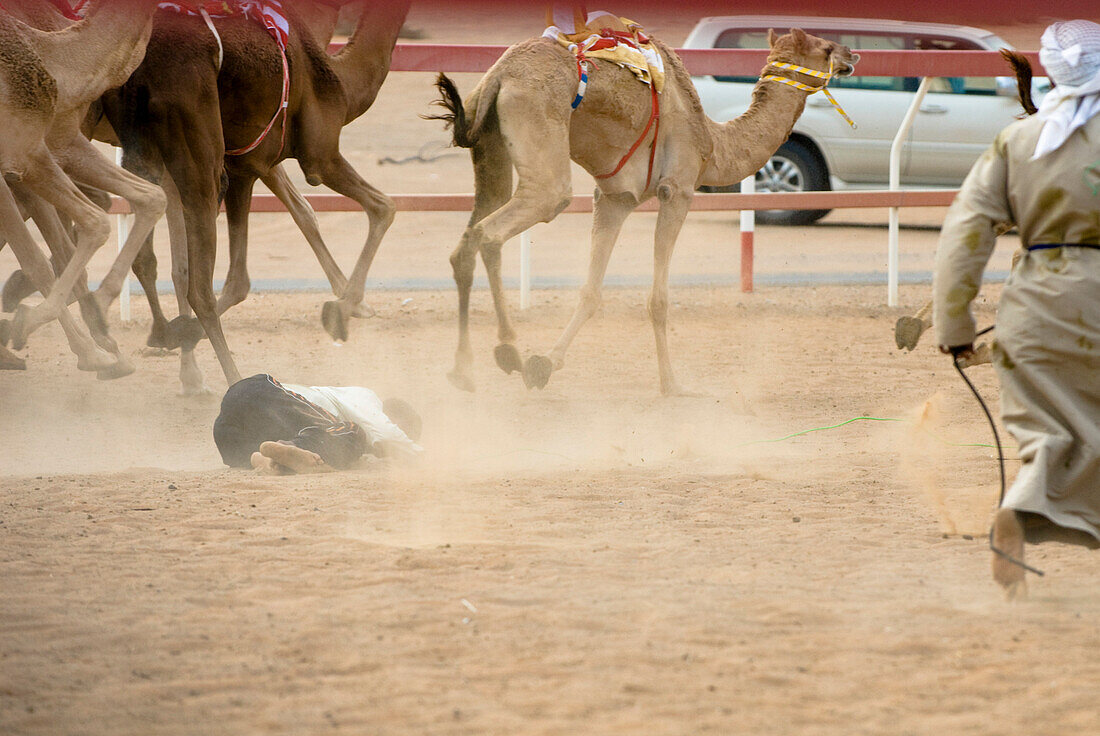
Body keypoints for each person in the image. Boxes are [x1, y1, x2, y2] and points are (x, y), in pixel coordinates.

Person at [932, 20, 1100, 598]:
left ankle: (1019, 510)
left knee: (1045, 435)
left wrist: (954, 326)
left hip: (1034, 307)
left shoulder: (1018, 141)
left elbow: (965, 233)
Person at [213, 374, 422, 474]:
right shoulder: (367, 398)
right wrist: (419, 454)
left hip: (230, 422)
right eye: (402, 430)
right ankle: (294, 447)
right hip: (263, 392)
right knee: (352, 432)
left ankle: (265, 461)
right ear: (389, 415)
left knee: (256, 455)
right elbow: (385, 432)